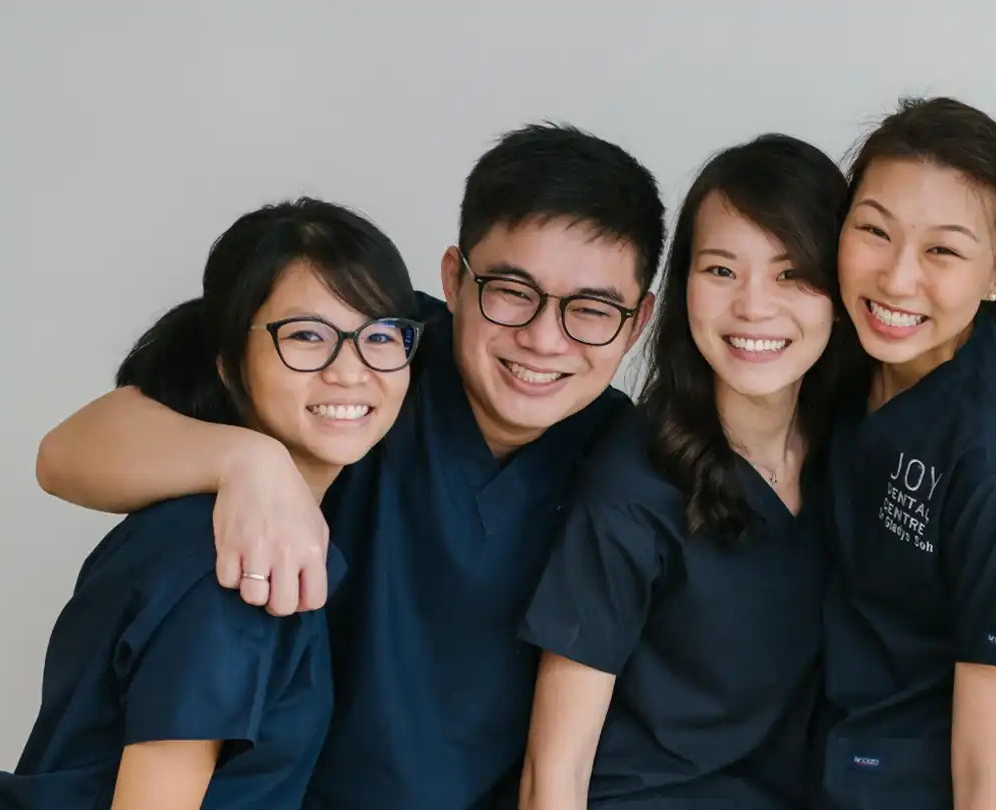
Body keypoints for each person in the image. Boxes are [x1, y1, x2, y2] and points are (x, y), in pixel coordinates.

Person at [33, 123, 667, 810]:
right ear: (453, 280)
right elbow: (64, 455)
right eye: (512, 292)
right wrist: (248, 461)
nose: (544, 339)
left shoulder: (626, 463)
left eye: (593, 309)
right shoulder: (369, 362)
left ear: (637, 322)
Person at [0, 198, 421, 809]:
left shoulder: (193, 518)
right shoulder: (237, 564)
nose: (350, 371)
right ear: (230, 365)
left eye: (379, 336)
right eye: (307, 336)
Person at [516, 133, 852, 809]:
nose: (753, 307)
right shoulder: (635, 482)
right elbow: (554, 772)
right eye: (720, 270)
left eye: (790, 273)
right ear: (682, 287)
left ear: (841, 288)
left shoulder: (851, 457)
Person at [816, 96, 996, 810]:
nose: (897, 279)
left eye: (943, 250)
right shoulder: (825, 348)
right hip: (804, 752)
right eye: (874, 231)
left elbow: (988, 768)